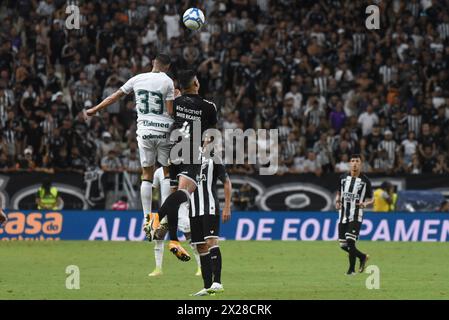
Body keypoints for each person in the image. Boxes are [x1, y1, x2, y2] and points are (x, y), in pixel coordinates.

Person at [85, 53, 175, 227]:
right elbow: (170, 112)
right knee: (167, 173)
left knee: (147, 175)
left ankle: (147, 218)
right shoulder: (168, 81)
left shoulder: (137, 78)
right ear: (167, 67)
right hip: (164, 131)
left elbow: (115, 97)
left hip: (145, 131)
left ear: (153, 63)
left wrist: (94, 109)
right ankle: (164, 216)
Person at [146, 69, 218, 262]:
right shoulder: (209, 106)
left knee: (175, 196)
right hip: (190, 152)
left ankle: (174, 240)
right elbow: (210, 135)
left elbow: (165, 116)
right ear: (196, 83)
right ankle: (155, 219)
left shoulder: (175, 103)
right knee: (184, 194)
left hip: (172, 150)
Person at [148, 166, 201, 277]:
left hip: (180, 210)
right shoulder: (158, 172)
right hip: (165, 208)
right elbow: (152, 189)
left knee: (191, 238)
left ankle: (200, 267)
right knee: (158, 238)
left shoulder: (179, 170)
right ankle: (158, 268)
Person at [190, 158, 232, 296]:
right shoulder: (188, 160)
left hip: (210, 207)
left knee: (211, 242)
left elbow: (227, 182)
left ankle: (218, 282)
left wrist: (227, 207)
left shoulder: (214, 159)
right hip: (194, 210)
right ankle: (208, 287)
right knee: (201, 246)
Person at [335, 154, 373, 275]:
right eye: (352, 161)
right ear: (349, 163)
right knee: (343, 245)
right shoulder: (342, 178)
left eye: (357, 161)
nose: (355, 163)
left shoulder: (365, 180)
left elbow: (372, 198)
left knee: (350, 241)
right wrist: (337, 201)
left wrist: (365, 203)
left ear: (360, 164)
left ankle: (351, 270)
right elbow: (339, 192)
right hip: (343, 214)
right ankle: (362, 257)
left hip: (356, 214)